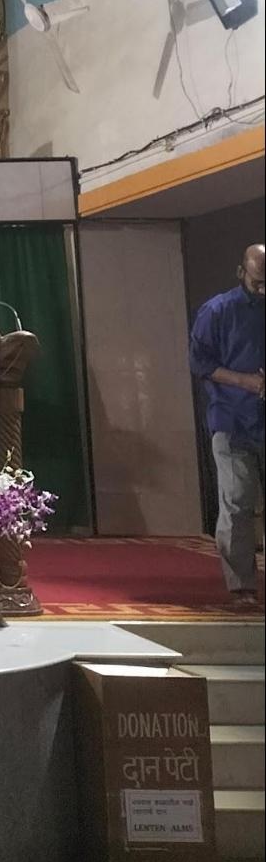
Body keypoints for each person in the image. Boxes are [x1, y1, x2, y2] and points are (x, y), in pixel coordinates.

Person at [190, 242, 264, 607]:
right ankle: (242, 588)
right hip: (233, 419)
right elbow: (200, 363)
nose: (264, 289)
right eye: (258, 282)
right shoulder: (218, 311)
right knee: (237, 501)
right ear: (242, 274)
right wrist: (247, 381)